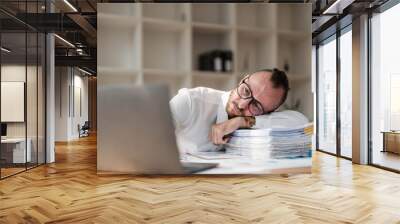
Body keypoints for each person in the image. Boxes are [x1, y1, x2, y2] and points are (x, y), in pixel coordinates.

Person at [169, 68, 290, 154]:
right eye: (246, 91)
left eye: (256, 106)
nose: (242, 104)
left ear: (266, 113)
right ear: (242, 80)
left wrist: (242, 121)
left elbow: (298, 120)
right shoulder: (191, 100)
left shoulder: (256, 120)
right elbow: (151, 134)